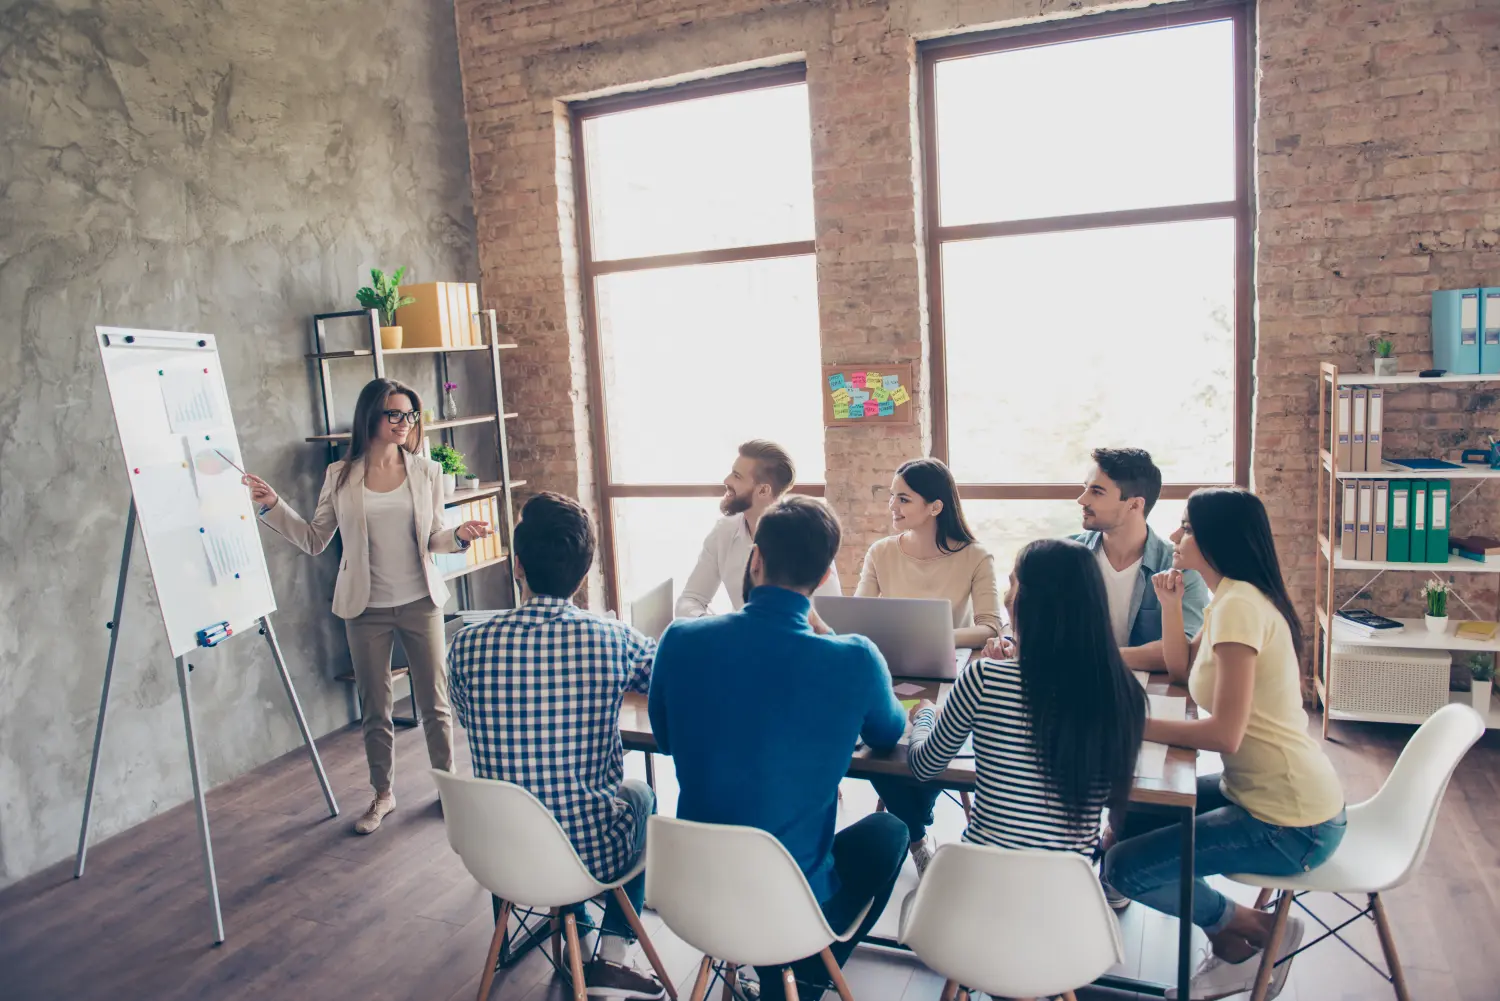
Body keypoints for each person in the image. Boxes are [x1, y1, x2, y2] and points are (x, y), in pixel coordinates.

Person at [650, 496, 908, 1001]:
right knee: (890, 831)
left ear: (756, 558)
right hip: (789, 904)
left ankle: (770, 975)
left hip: (690, 891)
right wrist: (830, 637)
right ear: (827, 571)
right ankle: (805, 977)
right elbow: (887, 731)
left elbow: (665, 736)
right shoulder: (855, 658)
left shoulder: (679, 639)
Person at [1103, 489, 1347, 1001]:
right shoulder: (1230, 599)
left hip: (1290, 822)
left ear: (1218, 540)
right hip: (1264, 796)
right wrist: (1171, 604)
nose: (1174, 536)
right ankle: (1238, 937)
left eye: (1187, 527)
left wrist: (1133, 723)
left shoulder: (1239, 607)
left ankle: (1255, 933)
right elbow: (1182, 670)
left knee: (1125, 866)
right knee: (1133, 809)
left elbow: (1223, 734)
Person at [245, 377, 491, 835]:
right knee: (375, 706)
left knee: (435, 703)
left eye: (409, 415)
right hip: (364, 607)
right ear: (371, 417)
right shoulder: (340, 476)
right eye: (393, 414)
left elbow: (434, 537)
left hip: (420, 601)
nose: (403, 423)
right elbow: (316, 539)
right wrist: (273, 505)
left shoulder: (427, 472)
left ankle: (448, 790)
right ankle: (383, 794)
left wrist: (457, 537)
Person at [448, 492, 666, 1001]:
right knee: (643, 798)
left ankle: (575, 930)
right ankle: (609, 955)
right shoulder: (614, 638)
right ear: (585, 572)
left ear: (518, 566)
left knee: (539, 788)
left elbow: (466, 716)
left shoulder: (467, 643)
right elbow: (667, 682)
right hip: (589, 853)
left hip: (496, 850)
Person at [902, 539, 1145, 866]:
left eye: (1013, 583)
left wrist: (927, 716)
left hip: (980, 877)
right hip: (1067, 892)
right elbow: (1118, 810)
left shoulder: (984, 678)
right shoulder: (1122, 690)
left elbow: (924, 766)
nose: (1006, 596)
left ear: (1029, 604)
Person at [1074, 447, 1209, 671]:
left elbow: (1184, 650)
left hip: (1154, 695)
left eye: (1096, 492)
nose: (1081, 500)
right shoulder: (1063, 557)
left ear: (1135, 505)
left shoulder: (1181, 568)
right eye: (1085, 489)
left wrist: (1094, 657)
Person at [676, 440, 842, 618]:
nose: (726, 481)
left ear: (763, 490)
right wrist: (717, 628)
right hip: (738, 640)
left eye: (737, 476)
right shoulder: (723, 531)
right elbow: (689, 600)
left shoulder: (806, 536)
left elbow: (831, 616)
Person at [856, 457, 1002, 649]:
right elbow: (856, 618)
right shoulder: (880, 552)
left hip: (950, 663)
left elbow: (990, 628)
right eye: (893, 496)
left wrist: (933, 638)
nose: (892, 505)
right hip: (893, 660)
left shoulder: (977, 557)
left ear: (935, 507)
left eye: (903, 499)